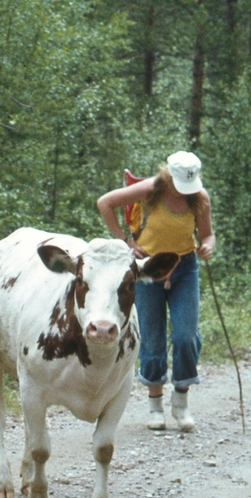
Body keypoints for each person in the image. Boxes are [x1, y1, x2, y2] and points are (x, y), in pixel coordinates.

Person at [96, 151, 215, 432]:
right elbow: (105, 203)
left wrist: (209, 245)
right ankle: (155, 405)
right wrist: (124, 242)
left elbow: (207, 233)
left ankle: (181, 400)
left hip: (184, 269)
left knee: (186, 336)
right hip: (148, 269)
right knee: (152, 337)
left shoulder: (199, 198)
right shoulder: (150, 189)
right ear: (168, 176)